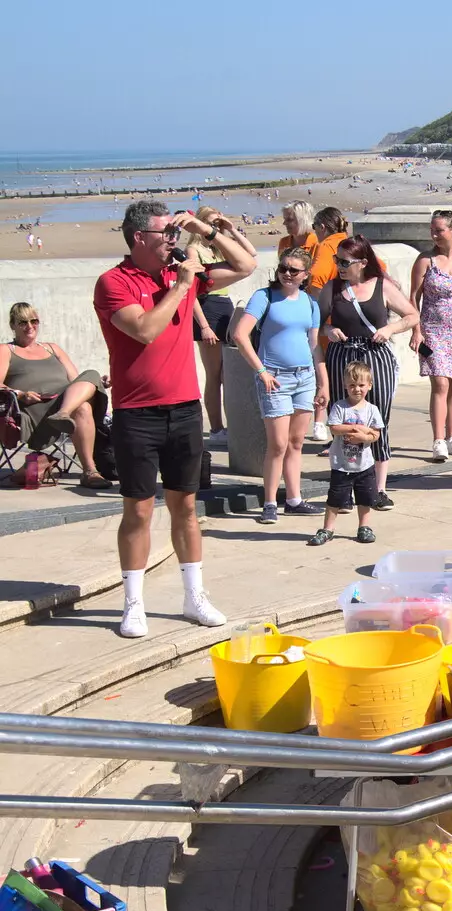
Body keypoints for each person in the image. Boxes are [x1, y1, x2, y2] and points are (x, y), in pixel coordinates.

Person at [95, 200, 256, 638]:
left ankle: (194, 596)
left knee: (186, 507)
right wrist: (183, 287)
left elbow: (245, 264)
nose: (171, 239)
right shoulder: (114, 283)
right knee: (139, 511)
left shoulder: (178, 273)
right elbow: (145, 330)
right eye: (164, 233)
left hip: (184, 409)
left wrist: (205, 232)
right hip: (137, 413)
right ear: (138, 238)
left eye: (173, 232)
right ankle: (134, 603)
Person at [318, 234, 418, 510]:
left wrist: (389, 329)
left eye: (344, 261)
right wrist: (328, 330)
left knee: (377, 420)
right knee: (345, 418)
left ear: (362, 263)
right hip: (343, 356)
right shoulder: (332, 288)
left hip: (376, 358)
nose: (338, 265)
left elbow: (412, 315)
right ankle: (346, 487)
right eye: (336, 259)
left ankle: (377, 489)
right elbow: (314, 324)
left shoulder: (382, 286)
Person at [230, 247, 324, 523]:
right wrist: (260, 370)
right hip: (275, 378)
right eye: (283, 268)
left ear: (305, 275)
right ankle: (270, 502)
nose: (286, 274)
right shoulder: (264, 297)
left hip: (304, 377)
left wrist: (323, 382)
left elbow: (314, 346)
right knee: (278, 444)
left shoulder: (310, 303)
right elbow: (240, 334)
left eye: (293, 270)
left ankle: (294, 499)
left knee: (296, 442)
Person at [1, 303, 111, 488]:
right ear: (12, 325)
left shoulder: (52, 348)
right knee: (82, 405)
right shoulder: (6, 350)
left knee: (88, 383)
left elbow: (75, 381)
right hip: (35, 408)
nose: (30, 326)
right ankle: (90, 471)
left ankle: (90, 471)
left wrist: (98, 382)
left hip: (62, 404)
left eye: (34, 321)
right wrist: (20, 394)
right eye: (23, 322)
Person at [410, 210, 452, 461]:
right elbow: (413, 300)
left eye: (439, 230)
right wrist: (416, 331)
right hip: (433, 331)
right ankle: (438, 439)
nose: (434, 234)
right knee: (440, 383)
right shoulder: (424, 261)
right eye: (432, 230)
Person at [185, 204, 255, 445]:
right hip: (208, 310)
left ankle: (227, 425)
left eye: (217, 223)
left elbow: (251, 254)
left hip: (224, 307)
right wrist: (203, 326)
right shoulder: (194, 250)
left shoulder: (217, 248)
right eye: (212, 223)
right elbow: (191, 291)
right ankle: (216, 428)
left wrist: (231, 230)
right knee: (214, 374)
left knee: (228, 373)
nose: (216, 227)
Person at [307, 362, 381, 546]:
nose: (357, 389)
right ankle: (328, 528)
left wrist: (363, 436)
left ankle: (364, 526)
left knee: (365, 497)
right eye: (352, 385)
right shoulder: (340, 407)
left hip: (364, 465)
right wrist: (356, 427)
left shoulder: (372, 409)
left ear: (369, 385)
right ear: (345, 385)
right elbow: (334, 427)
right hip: (342, 464)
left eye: (361, 385)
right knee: (335, 498)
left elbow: (376, 434)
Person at [305, 207, 352, 444]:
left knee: (328, 378)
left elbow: (315, 280)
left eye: (315, 227)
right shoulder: (353, 242)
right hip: (354, 318)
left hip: (331, 321)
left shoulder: (326, 247)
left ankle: (335, 435)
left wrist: (317, 307)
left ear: (322, 227)